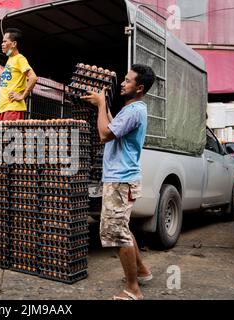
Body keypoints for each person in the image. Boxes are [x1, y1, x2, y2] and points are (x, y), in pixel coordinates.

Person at [81, 64, 156, 300]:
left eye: (128, 80)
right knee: (123, 229)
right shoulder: (131, 110)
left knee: (117, 234)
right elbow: (113, 128)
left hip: (121, 180)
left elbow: (104, 135)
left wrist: (101, 105)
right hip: (123, 179)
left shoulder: (134, 111)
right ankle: (142, 271)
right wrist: (105, 109)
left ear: (139, 88)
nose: (122, 83)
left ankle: (133, 290)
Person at [0, 28, 38, 121]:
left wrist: (22, 96)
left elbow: (33, 77)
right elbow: (4, 75)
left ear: (14, 44)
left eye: (5, 41)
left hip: (13, 109)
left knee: (8, 135)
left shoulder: (20, 58)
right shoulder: (10, 60)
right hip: (2, 109)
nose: (2, 44)